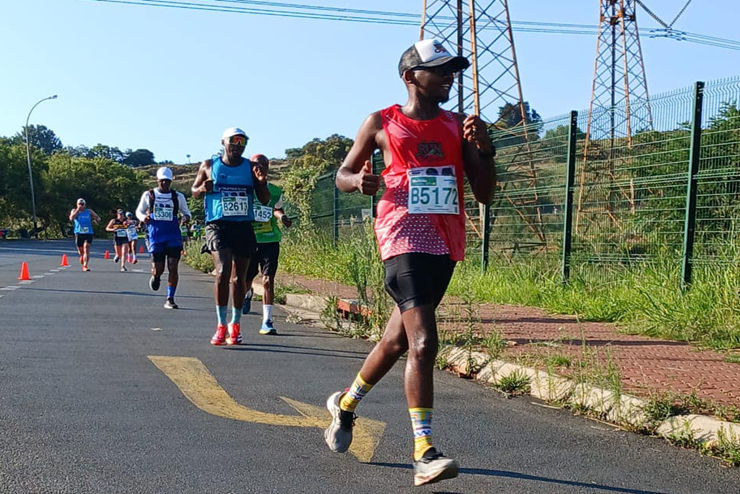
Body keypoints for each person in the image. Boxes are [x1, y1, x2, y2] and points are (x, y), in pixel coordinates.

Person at [323, 39, 496, 487]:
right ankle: (424, 451)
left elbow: (484, 193)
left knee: (397, 341)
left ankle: (344, 405)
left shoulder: (459, 125)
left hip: (444, 243)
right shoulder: (382, 122)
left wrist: (486, 151)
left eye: (451, 70)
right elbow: (343, 174)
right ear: (410, 77)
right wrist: (356, 180)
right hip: (400, 235)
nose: (448, 77)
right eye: (438, 70)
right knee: (424, 344)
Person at [191, 127, 270, 346]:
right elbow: (194, 192)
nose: (238, 146)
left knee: (240, 279)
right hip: (218, 225)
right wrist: (202, 190)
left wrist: (262, 182)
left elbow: (264, 199)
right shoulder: (209, 165)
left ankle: (235, 325)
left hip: (243, 225)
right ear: (223, 142)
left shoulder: (251, 168)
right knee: (223, 271)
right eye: (233, 142)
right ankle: (220, 325)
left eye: (242, 142)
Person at [242, 154, 292, 335]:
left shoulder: (276, 191)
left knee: (267, 279)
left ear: (268, 168)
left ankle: (267, 321)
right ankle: (247, 294)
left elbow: (277, 209)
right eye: (255, 165)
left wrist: (282, 217)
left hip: (270, 239)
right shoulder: (245, 189)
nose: (259, 168)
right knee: (246, 279)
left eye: (263, 165)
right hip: (248, 239)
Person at [136, 167, 191, 309]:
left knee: (173, 266)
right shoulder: (149, 195)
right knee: (158, 268)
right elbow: (139, 211)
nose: (165, 184)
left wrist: (185, 218)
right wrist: (144, 217)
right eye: (162, 181)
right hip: (155, 235)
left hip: (173, 235)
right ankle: (156, 276)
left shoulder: (177, 196)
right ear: (157, 180)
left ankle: (170, 298)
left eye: (168, 181)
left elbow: (186, 212)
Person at [69, 198, 101, 272]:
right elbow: (71, 218)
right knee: (81, 250)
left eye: (82, 204)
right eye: (79, 204)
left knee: (86, 248)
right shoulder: (74, 211)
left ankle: (85, 265)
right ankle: (81, 256)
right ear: (77, 204)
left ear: (85, 205)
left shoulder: (89, 211)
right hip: (79, 232)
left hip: (88, 232)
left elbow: (98, 218)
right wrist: (77, 210)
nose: (81, 206)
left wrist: (95, 220)